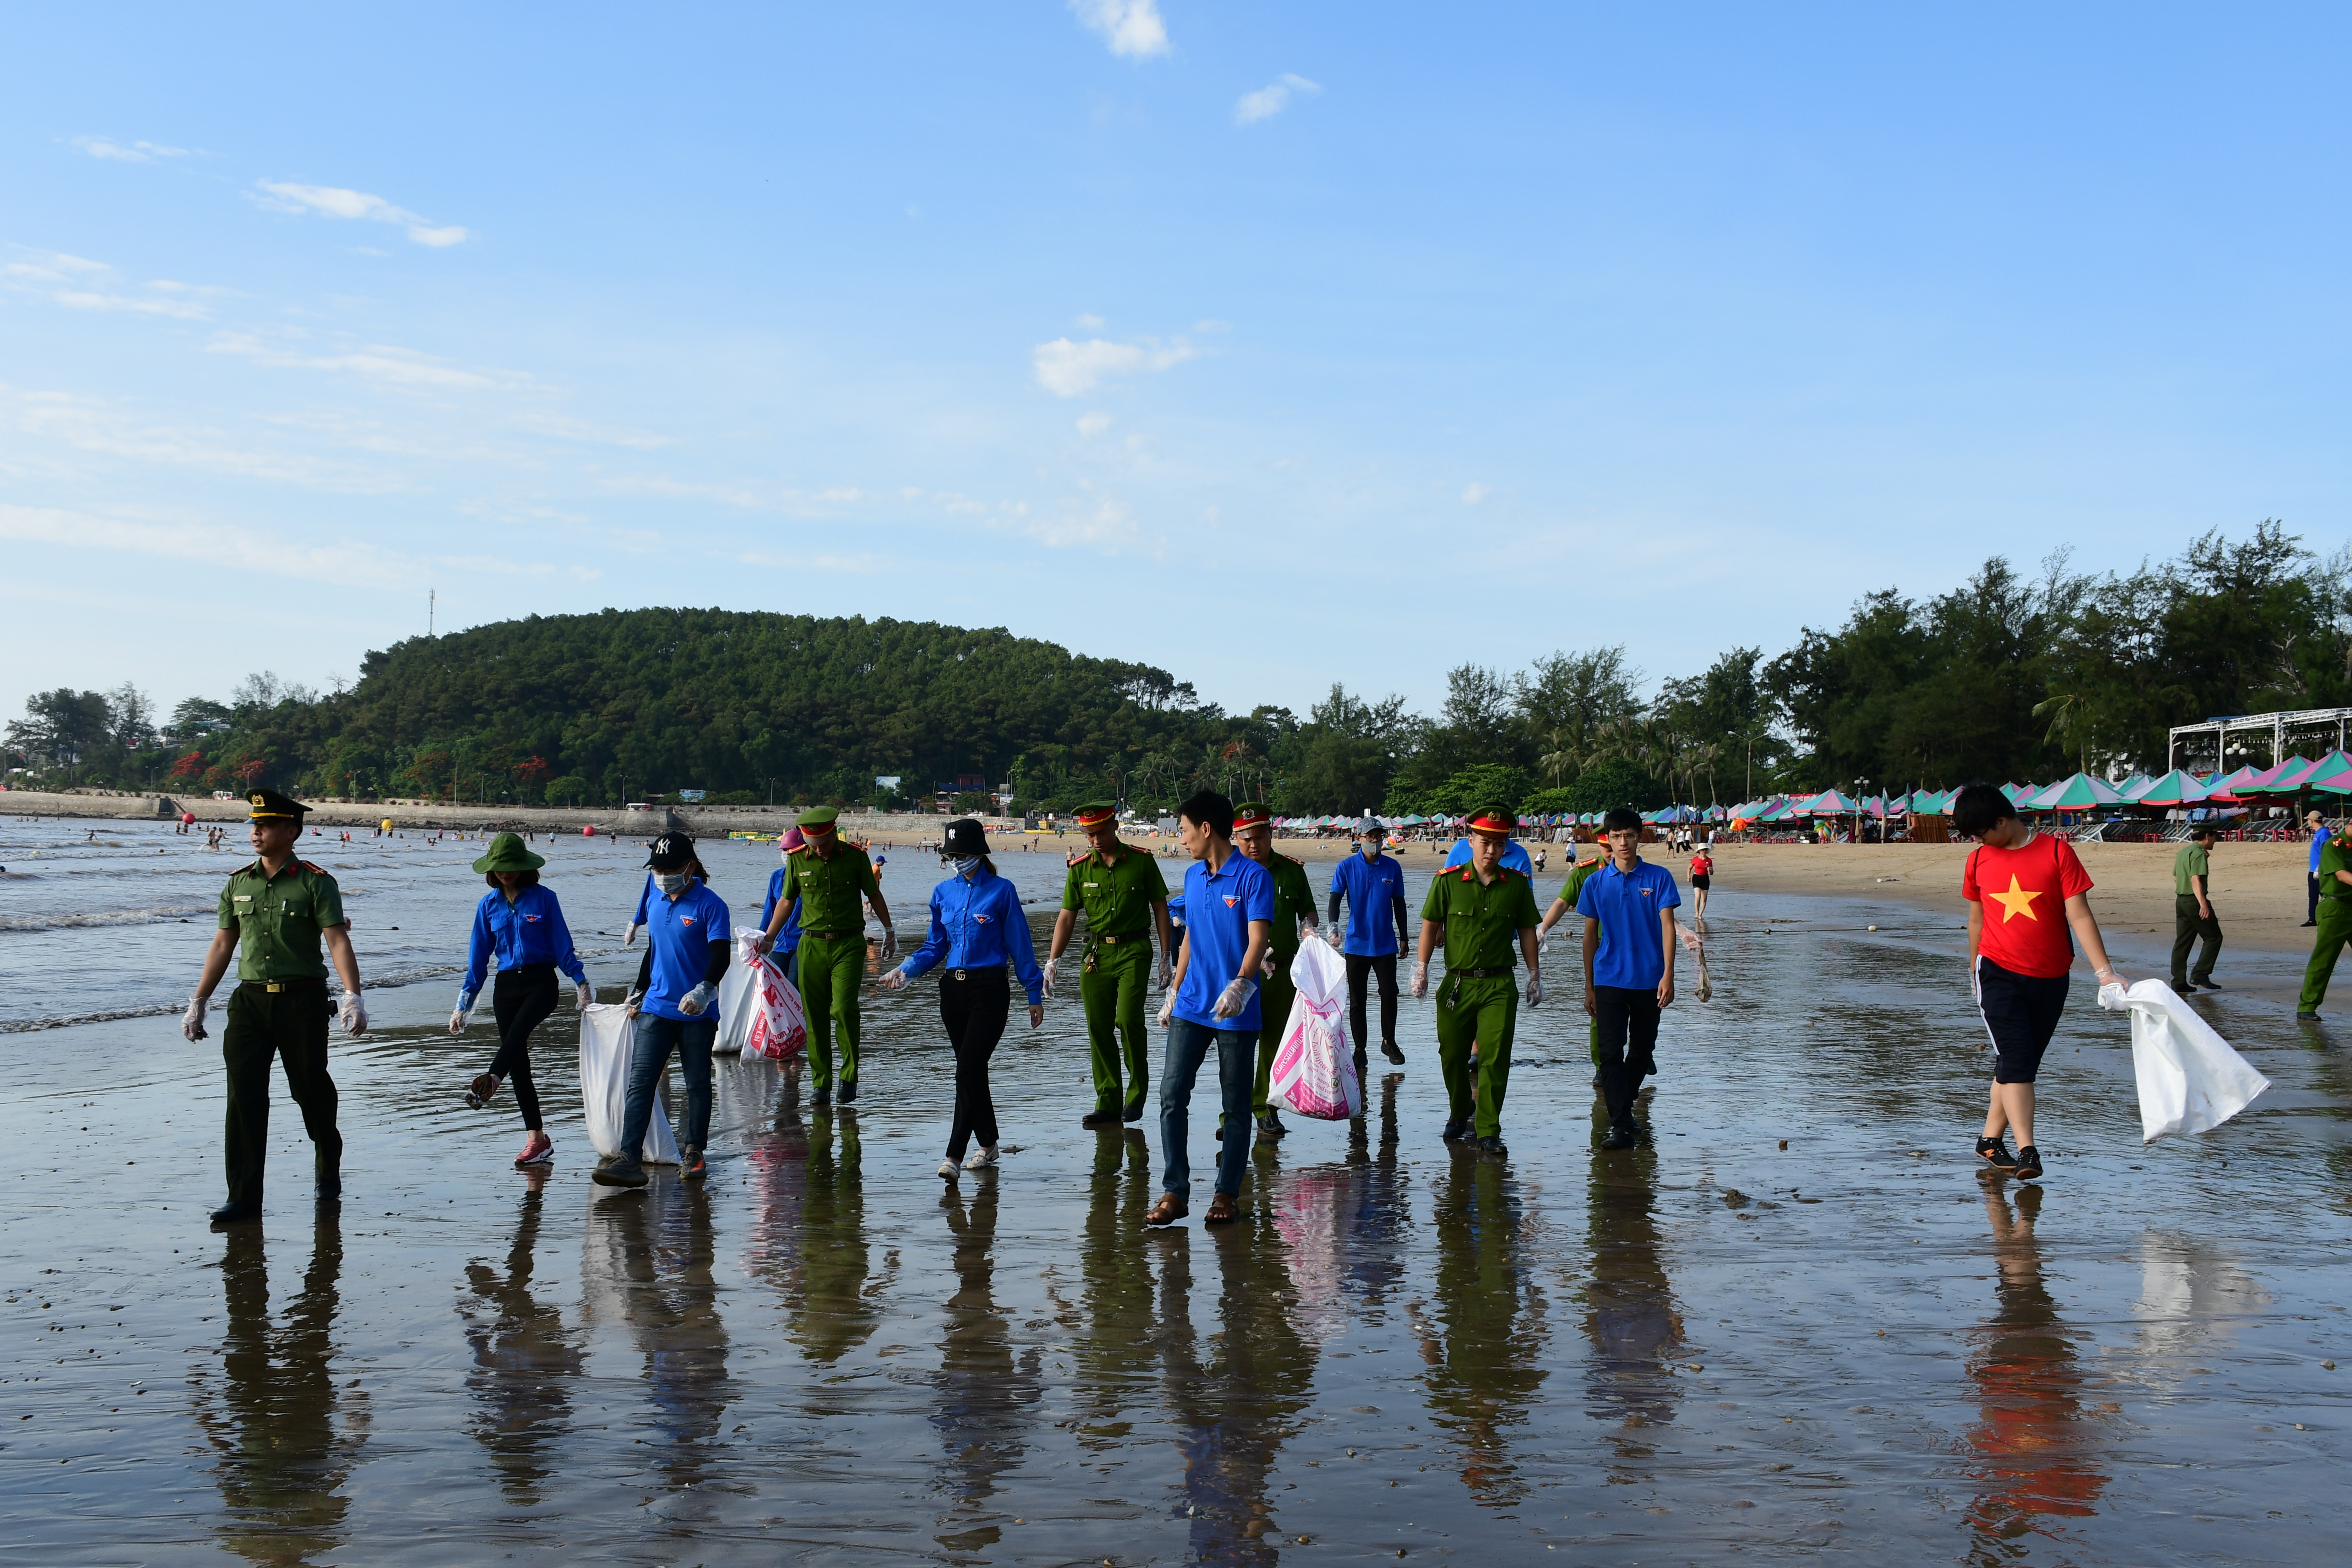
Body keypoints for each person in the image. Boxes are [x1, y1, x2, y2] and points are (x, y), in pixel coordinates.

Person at [180, 789, 368, 1228]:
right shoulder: (237, 882)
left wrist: (352, 995)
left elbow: (337, 939)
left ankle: (327, 1159)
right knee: (243, 1099)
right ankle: (243, 1197)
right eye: (253, 824)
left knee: (309, 1089)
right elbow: (223, 944)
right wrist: (199, 1001)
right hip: (248, 1003)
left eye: (264, 825)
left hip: (301, 1000)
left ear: (291, 830)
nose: (255, 831)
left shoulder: (316, 882)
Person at [1952, 782, 2124, 1181]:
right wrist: (1973, 968)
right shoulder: (1978, 861)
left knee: (2020, 1064)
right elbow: (1976, 918)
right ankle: (2028, 1150)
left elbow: (2080, 915)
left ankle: (1989, 1141)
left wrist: (2105, 974)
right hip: (1996, 971)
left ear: (2002, 820)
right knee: (2017, 1062)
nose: (1978, 841)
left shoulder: (2056, 852)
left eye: (1982, 833)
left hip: (2051, 976)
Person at [880, 818, 1045, 1177]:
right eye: (950, 854)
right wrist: (906, 971)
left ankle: (953, 1156)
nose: (955, 860)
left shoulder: (1002, 891)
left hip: (990, 991)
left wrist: (1034, 992)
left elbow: (1021, 946)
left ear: (978, 854)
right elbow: (935, 945)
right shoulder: (942, 893)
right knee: (973, 1072)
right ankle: (989, 1145)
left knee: (967, 1068)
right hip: (953, 992)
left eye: (961, 854)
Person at [1148, 790, 1274, 1227]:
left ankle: (1226, 1192)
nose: (1180, 838)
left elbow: (1258, 939)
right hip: (1192, 1006)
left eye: (1184, 829)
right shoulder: (1193, 876)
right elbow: (1190, 940)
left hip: (1236, 1008)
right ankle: (1175, 1190)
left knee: (1236, 1103)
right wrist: (1173, 992)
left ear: (1206, 828)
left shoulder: (1254, 877)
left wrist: (1241, 983)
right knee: (1170, 1095)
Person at [593, 833, 731, 1187]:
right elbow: (654, 950)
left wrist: (705, 990)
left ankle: (694, 1153)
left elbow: (721, 954)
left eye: (670, 869)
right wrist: (638, 993)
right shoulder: (655, 898)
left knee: (697, 1084)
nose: (663, 875)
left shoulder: (711, 905)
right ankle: (629, 1159)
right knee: (640, 1084)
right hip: (656, 1008)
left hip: (696, 1014)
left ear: (690, 867)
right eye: (657, 868)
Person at [450, 832, 593, 1169]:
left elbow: (562, 944)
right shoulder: (488, 906)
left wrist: (581, 981)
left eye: (512, 866)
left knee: (515, 1037)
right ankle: (537, 1140)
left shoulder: (545, 899)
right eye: (500, 867)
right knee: (519, 1063)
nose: (505, 872)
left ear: (524, 866)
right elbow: (478, 959)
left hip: (542, 982)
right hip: (506, 987)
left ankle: (491, 1079)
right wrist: (464, 1004)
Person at [1414, 805, 1541, 1159]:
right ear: (1470, 840)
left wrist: (1534, 973)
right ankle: (1460, 1109)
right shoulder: (1448, 881)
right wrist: (1421, 968)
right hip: (1457, 984)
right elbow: (1429, 926)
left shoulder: (1515, 886)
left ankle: (1488, 1129)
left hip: (1499, 985)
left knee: (1495, 1058)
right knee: (1452, 1055)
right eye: (1485, 843)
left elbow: (1527, 930)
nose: (1491, 851)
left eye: (1499, 845)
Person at [1046, 802, 1174, 1129]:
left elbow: (1160, 908)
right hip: (1096, 953)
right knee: (1098, 1026)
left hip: (1135, 949)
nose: (1096, 840)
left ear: (1114, 826)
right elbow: (1066, 917)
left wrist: (1165, 955)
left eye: (1101, 833)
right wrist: (1053, 961)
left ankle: (1136, 1094)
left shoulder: (1142, 862)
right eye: (1090, 835)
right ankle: (1108, 1101)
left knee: (1128, 1019)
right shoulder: (1080, 869)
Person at [760, 806, 894, 1109]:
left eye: (824, 843)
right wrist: (768, 938)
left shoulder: (856, 857)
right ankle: (821, 1083)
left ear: (834, 833)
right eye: (813, 844)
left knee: (845, 1008)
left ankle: (849, 1076)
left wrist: (890, 930)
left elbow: (874, 895)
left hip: (849, 944)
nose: (819, 850)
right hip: (811, 946)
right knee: (815, 1015)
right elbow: (786, 901)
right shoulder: (797, 860)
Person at [1579, 807, 1681, 1151]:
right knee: (1610, 1053)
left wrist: (1668, 974)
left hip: (1650, 978)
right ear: (1606, 839)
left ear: (1641, 837)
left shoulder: (1659, 877)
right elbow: (1589, 936)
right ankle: (1621, 1123)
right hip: (1608, 977)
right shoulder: (1594, 882)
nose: (1624, 842)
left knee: (1642, 1049)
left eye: (1630, 835)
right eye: (1617, 836)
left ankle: (1624, 1109)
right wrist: (1589, 986)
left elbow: (1668, 927)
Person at [1231, 803, 1318, 1140]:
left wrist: (1310, 928)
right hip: (1238, 974)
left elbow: (1307, 910)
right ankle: (1232, 1114)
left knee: (1275, 1045)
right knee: (1235, 1045)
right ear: (1236, 838)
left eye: (1260, 838)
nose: (1254, 845)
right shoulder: (1230, 871)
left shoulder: (1292, 871)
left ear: (1271, 835)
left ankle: (1266, 1109)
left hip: (1279, 972)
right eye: (1246, 839)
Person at [1327, 817, 1411, 1070]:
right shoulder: (1346, 867)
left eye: (1378, 836)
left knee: (1390, 994)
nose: (1375, 840)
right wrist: (1333, 926)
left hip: (1385, 944)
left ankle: (1389, 1041)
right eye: (1370, 836)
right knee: (1358, 1000)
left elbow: (1399, 903)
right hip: (1357, 944)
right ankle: (1360, 1049)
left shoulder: (1392, 867)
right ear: (1360, 838)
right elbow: (1335, 899)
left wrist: (1404, 936)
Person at [2297, 817, 2352, 1019]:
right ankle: (2307, 1006)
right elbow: (2342, 875)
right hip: (2335, 909)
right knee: (2324, 960)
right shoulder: (2334, 845)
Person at [2170, 825, 2222, 993]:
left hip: (2181, 900)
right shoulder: (2199, 853)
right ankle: (2201, 973)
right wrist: (2203, 904)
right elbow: (2195, 880)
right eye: (2215, 837)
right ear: (2208, 836)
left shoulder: (2184, 852)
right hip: (2194, 901)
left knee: (2183, 942)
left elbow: (2177, 877)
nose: (2216, 840)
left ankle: (2178, 981)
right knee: (2214, 937)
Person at [758, 827, 809, 987]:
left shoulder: (811, 878)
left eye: (791, 850)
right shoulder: (777, 877)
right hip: (780, 942)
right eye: (784, 850)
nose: (786, 854)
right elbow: (770, 910)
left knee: (794, 986)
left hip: (804, 941)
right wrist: (761, 938)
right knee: (775, 986)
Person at [2305, 809, 2328, 928]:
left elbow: (2327, 851)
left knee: (2324, 895)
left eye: (2308, 820)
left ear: (2312, 821)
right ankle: (2312, 918)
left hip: (2320, 870)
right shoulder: (2318, 833)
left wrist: (2320, 868)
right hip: (2313, 870)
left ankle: (2327, 917)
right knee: (2313, 895)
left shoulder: (2324, 833)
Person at [1688, 844, 1715, 920]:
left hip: (1705, 879)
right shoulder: (1695, 859)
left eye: (1705, 850)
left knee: (1704, 898)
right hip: (1697, 878)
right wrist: (1689, 877)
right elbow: (1689, 868)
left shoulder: (1709, 860)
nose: (1704, 852)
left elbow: (1712, 873)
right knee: (1698, 896)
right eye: (1702, 850)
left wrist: (1710, 869)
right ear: (1699, 851)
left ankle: (1701, 914)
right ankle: (1696, 913)